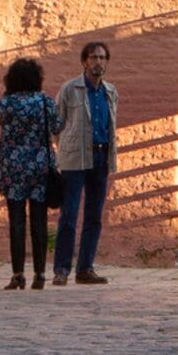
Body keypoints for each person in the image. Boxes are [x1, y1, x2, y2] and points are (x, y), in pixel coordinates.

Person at [48, 38, 119, 285]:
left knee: (94, 216)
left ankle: (85, 268)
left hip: (100, 157)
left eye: (102, 57)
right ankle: (61, 270)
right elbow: (56, 125)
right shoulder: (70, 89)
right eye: (93, 57)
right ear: (84, 61)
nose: (98, 62)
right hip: (75, 159)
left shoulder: (110, 92)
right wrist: (66, 147)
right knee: (69, 215)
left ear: (106, 62)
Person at [0, 57, 59, 289]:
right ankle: (40, 273)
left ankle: (18, 274)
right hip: (40, 167)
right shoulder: (45, 101)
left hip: (13, 168)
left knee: (16, 222)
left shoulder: (8, 103)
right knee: (39, 221)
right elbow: (57, 127)